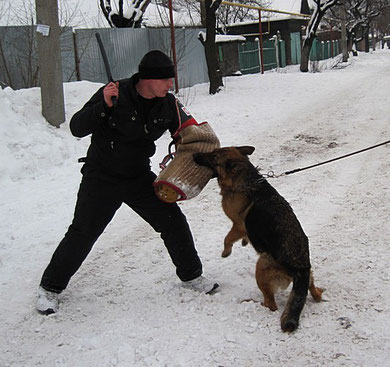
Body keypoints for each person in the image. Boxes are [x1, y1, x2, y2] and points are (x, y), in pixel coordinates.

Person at [36, 50, 219, 315]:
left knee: (173, 222)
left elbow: (193, 133)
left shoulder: (168, 104)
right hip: (101, 177)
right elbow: (76, 127)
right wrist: (104, 106)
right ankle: (49, 289)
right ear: (148, 79)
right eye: (167, 79)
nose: (171, 85)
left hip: (137, 177)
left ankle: (191, 276)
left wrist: (202, 159)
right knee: (83, 232)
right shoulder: (114, 91)